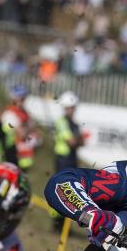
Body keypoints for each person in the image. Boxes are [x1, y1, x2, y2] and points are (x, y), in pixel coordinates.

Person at [51, 91, 84, 230]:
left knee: (71, 192)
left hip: (71, 159)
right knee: (61, 191)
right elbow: (72, 141)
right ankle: (57, 224)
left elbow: (81, 142)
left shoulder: (73, 123)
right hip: (63, 159)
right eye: (71, 107)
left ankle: (64, 225)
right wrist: (78, 140)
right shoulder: (62, 122)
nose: (73, 109)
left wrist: (78, 140)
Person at [1, 84, 40, 171]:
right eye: (21, 98)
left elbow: (33, 127)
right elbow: (22, 133)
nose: (23, 101)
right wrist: (29, 128)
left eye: (24, 98)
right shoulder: (9, 114)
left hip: (24, 159)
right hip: (12, 155)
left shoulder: (24, 113)